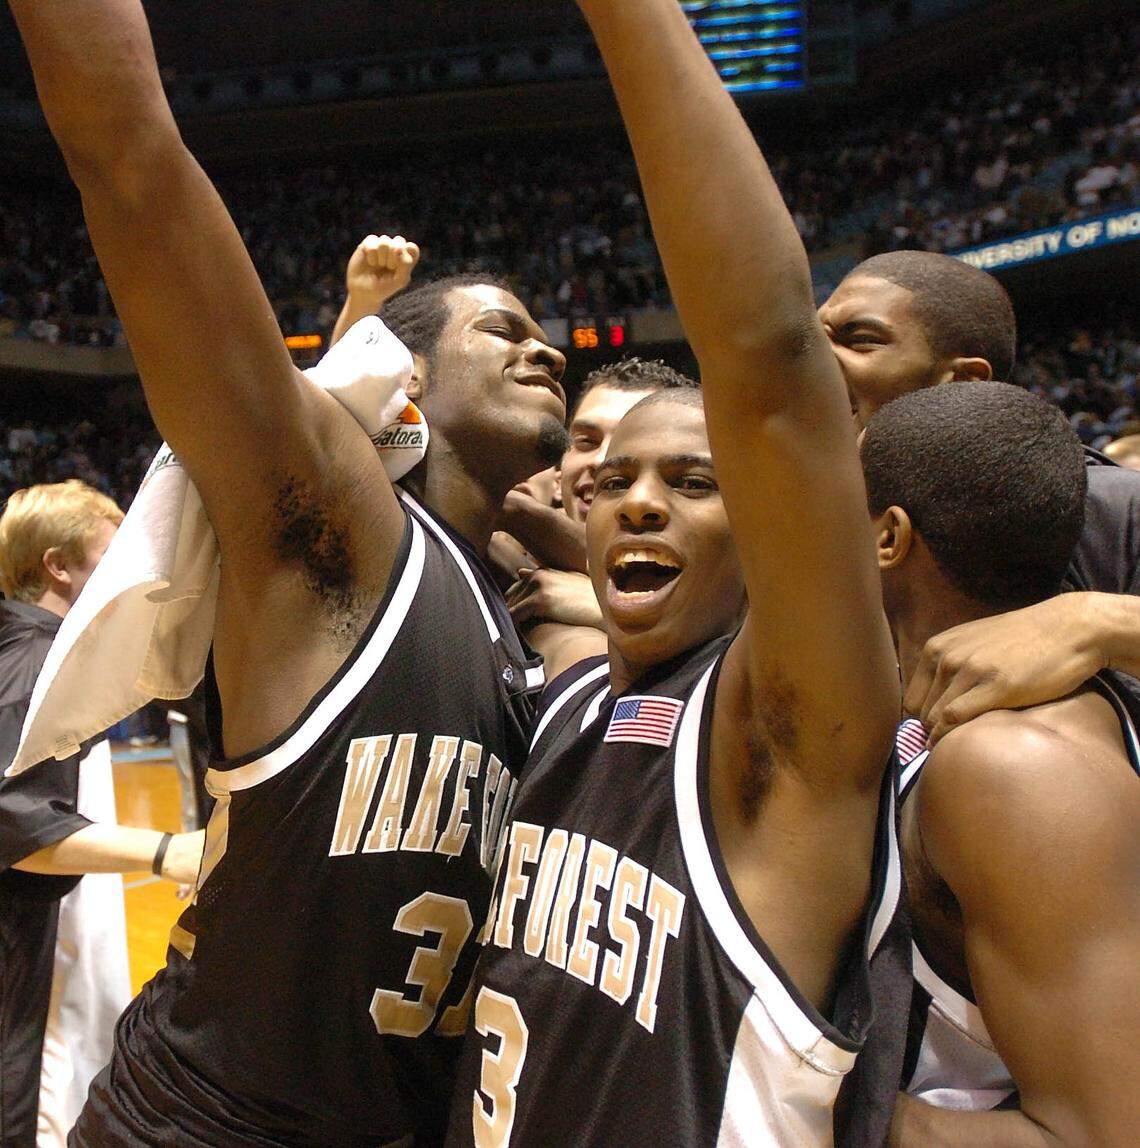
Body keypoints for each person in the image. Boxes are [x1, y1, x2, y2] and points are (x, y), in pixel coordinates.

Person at [9, 1, 569, 1143]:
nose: (543, 346)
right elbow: (132, 161)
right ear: (403, 375)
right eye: (500, 330)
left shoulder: (516, 603)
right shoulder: (343, 531)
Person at [447, 1, 902, 1144]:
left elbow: (768, 358)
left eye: (697, 481)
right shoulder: (568, 700)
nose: (638, 500)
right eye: (615, 481)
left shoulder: (784, 740)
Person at [856, 382, 1139, 1145]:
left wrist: (788, 1080)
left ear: (888, 536)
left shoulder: (1013, 764)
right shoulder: (914, 696)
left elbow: (1103, 1134)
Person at [818, 249, 1140, 736]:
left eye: (859, 341)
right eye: (811, 339)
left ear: (964, 381)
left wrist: (1097, 623)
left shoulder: (1110, 503)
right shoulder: (784, 516)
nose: (813, 361)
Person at [0, 480, 203, 1146]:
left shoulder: (34, 654)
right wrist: (169, 851)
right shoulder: (33, 664)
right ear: (59, 566)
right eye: (110, 557)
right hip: (30, 948)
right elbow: (17, 822)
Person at [500, 358, 699, 653]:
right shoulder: (501, 559)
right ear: (559, 476)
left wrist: (610, 611)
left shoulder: (730, 592)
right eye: (586, 442)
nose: (602, 460)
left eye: (630, 438)